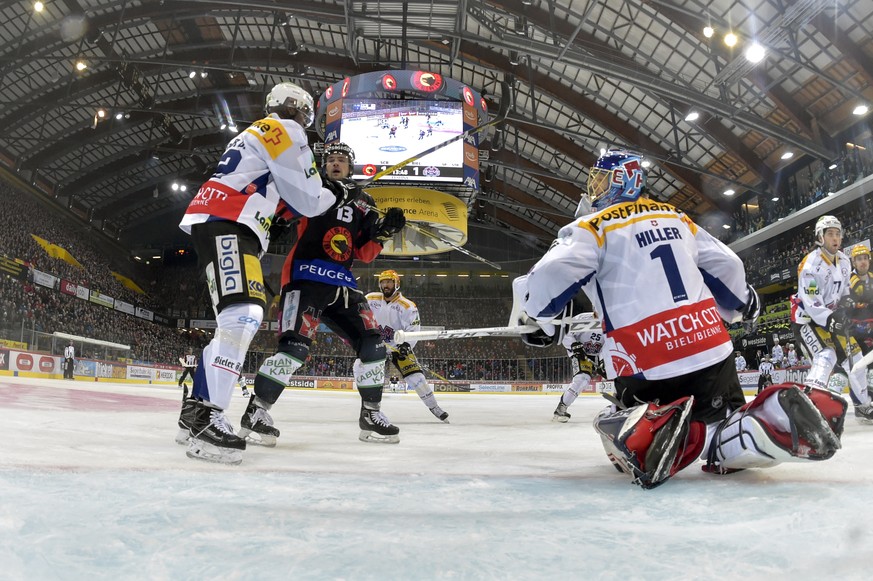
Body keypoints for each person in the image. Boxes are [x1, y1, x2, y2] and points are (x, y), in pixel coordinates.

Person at [520, 148, 846, 489]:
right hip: (712, 351)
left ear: (622, 181)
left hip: (647, 361)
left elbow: (547, 279)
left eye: (601, 180)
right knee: (725, 416)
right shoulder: (677, 217)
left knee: (613, 433)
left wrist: (541, 317)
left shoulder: (590, 227)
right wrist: (743, 303)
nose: (595, 188)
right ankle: (747, 426)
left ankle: (661, 430)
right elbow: (729, 266)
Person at [175, 81, 360, 464]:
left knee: (236, 316)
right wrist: (337, 192)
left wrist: (312, 193)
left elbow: (281, 193)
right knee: (243, 314)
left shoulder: (258, 133)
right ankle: (207, 419)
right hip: (228, 223)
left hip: (220, 221)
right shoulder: (286, 131)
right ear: (303, 112)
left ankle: (194, 412)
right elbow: (308, 200)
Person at [238, 142, 408, 446]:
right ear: (322, 165)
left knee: (375, 346)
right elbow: (282, 212)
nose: (336, 163)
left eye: (342, 159)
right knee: (295, 348)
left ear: (350, 166)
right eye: (331, 159)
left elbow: (365, 254)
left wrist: (385, 231)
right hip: (305, 278)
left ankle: (371, 415)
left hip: (343, 284)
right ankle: (256, 412)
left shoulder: (364, 202)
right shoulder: (312, 187)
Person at [792, 215, 873, 423]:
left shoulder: (845, 261)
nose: (835, 238)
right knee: (826, 356)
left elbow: (845, 290)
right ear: (821, 237)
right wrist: (831, 319)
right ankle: (810, 406)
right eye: (830, 234)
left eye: (838, 234)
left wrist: (846, 302)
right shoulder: (810, 265)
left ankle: (864, 405)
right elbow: (811, 302)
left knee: (856, 357)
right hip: (808, 320)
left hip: (832, 318)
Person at [366, 269, 449, 422]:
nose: (385, 285)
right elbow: (359, 312)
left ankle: (434, 407)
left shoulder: (408, 306)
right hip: (377, 345)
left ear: (396, 283)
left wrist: (406, 345)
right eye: (383, 282)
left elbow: (413, 328)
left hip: (398, 347)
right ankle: (369, 409)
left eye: (389, 281)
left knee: (417, 378)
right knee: (367, 375)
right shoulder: (371, 299)